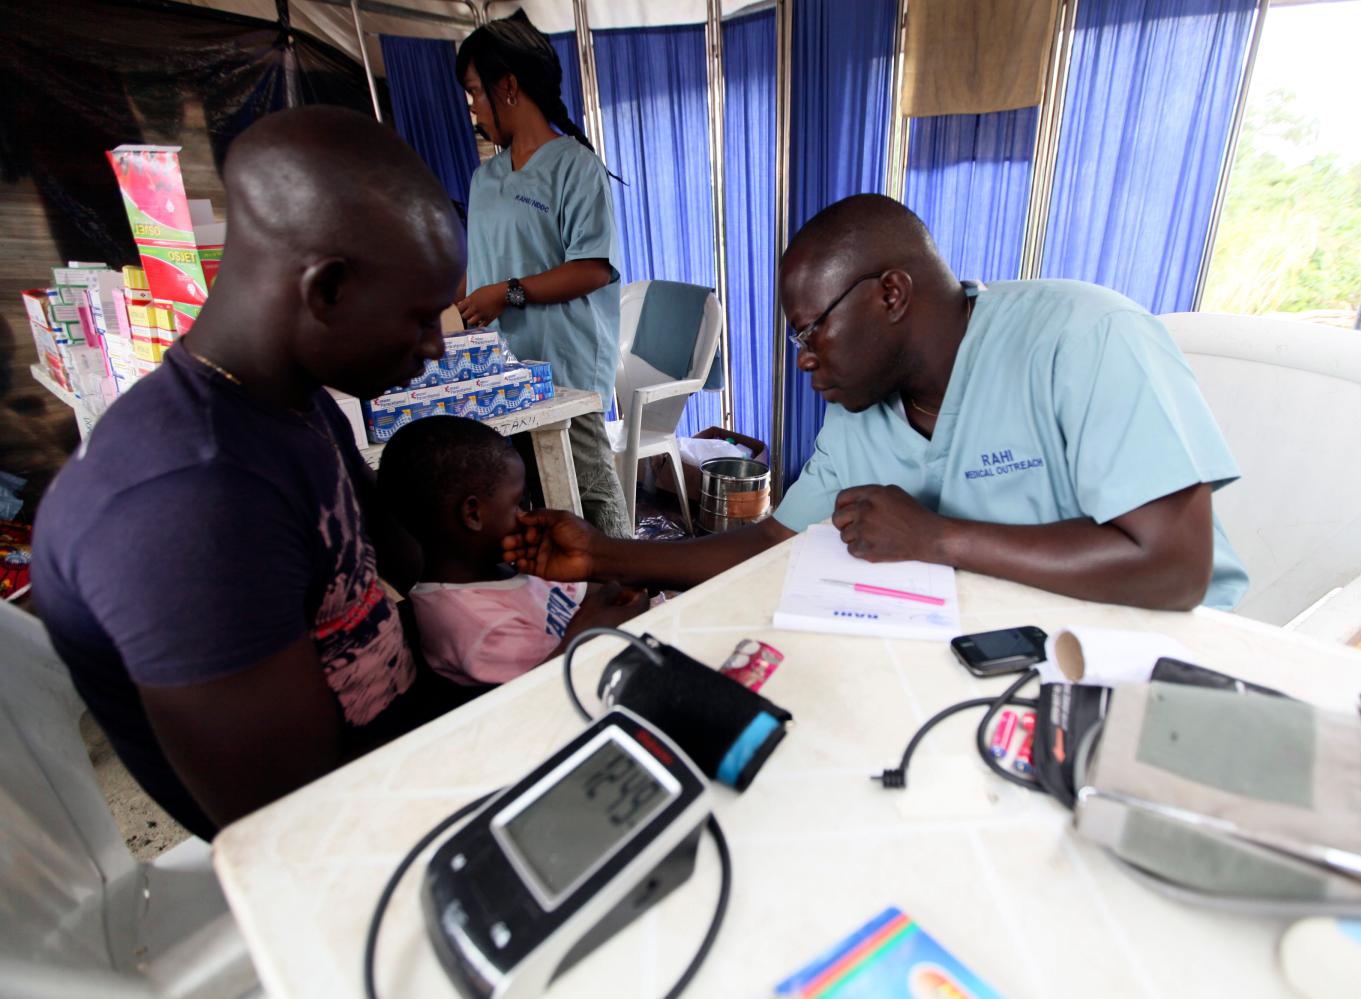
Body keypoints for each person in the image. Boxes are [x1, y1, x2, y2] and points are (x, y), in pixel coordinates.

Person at [31, 107, 470, 840]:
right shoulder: (182, 502)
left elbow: (400, 559)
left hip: (405, 756)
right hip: (359, 840)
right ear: (325, 290)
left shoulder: (290, 399)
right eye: (422, 318)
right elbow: (300, 831)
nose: (436, 348)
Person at [505, 194, 1250, 611]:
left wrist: (937, 538)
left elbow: (1174, 567)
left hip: (1157, 653)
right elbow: (774, 541)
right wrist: (608, 552)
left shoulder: (1084, 338)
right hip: (995, 654)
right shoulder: (862, 407)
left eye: (809, 330)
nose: (801, 358)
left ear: (891, 292)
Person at [453, 12, 632, 539]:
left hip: (566, 362)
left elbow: (593, 268)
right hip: (502, 365)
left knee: (588, 487)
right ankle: (566, 597)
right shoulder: (485, 177)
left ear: (507, 86)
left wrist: (505, 294)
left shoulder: (574, 167)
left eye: (475, 93)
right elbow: (483, 262)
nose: (473, 111)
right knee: (530, 491)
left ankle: (629, 588)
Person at [376, 415, 647, 686]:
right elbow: (544, 689)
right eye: (516, 503)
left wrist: (615, 590)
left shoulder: (514, 567)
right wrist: (594, 628)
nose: (525, 515)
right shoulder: (472, 626)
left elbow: (597, 589)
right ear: (473, 514)